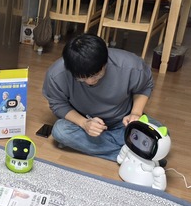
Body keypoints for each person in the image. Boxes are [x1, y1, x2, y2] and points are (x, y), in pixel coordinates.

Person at [42, 33, 156, 162]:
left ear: (105, 63)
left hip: (123, 121)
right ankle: (131, 156)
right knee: (60, 131)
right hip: (85, 123)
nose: (90, 81)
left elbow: (144, 86)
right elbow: (58, 104)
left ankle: (98, 146)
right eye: (81, 78)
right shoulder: (56, 74)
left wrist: (136, 113)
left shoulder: (130, 65)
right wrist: (84, 123)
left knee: (160, 136)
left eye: (96, 75)